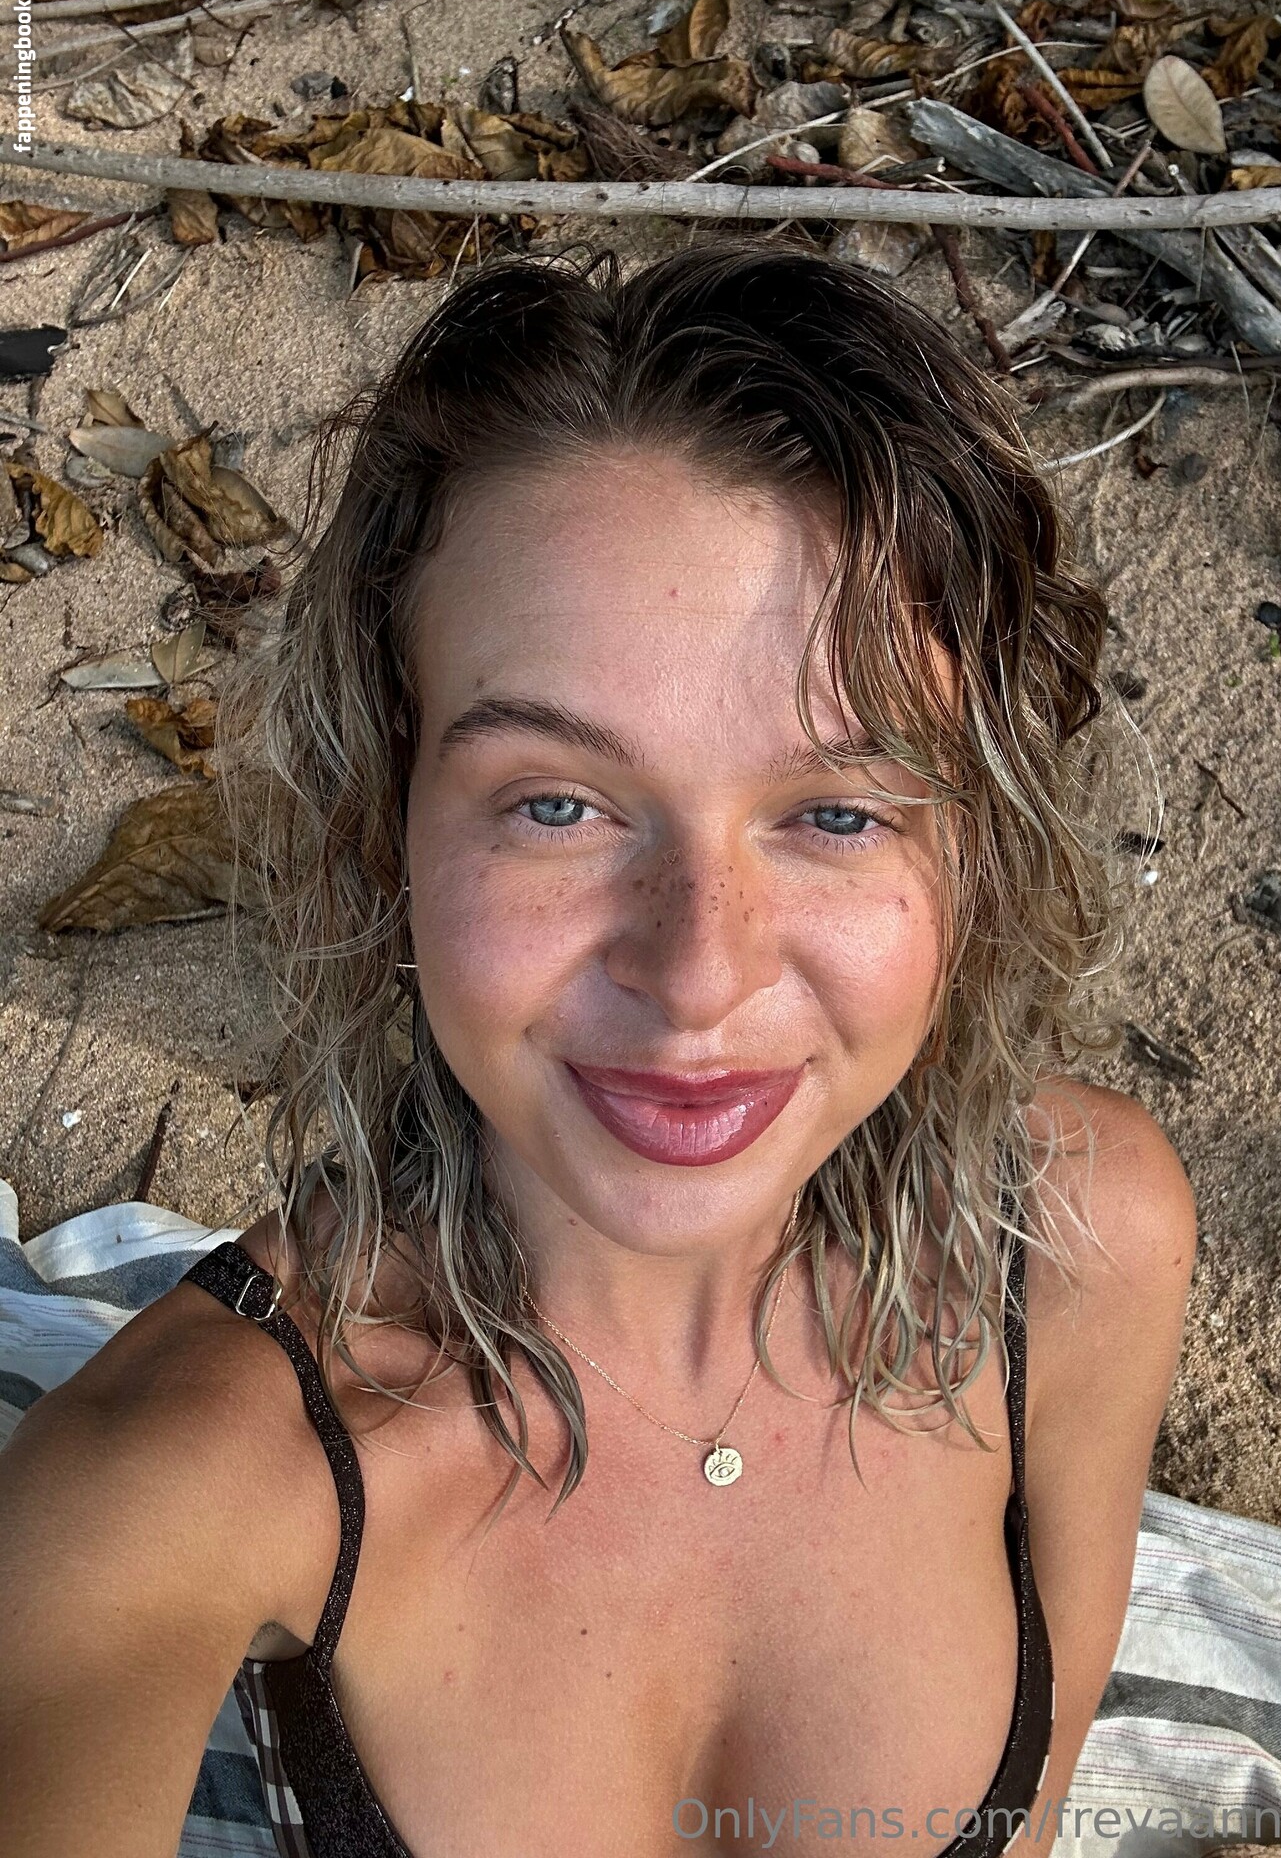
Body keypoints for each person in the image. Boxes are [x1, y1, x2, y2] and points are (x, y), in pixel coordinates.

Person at [0, 242, 1195, 1858]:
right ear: (384, 828)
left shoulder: (1075, 1244)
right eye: (559, 804)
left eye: (838, 812)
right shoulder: (169, 1488)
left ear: (975, 853)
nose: (697, 976)